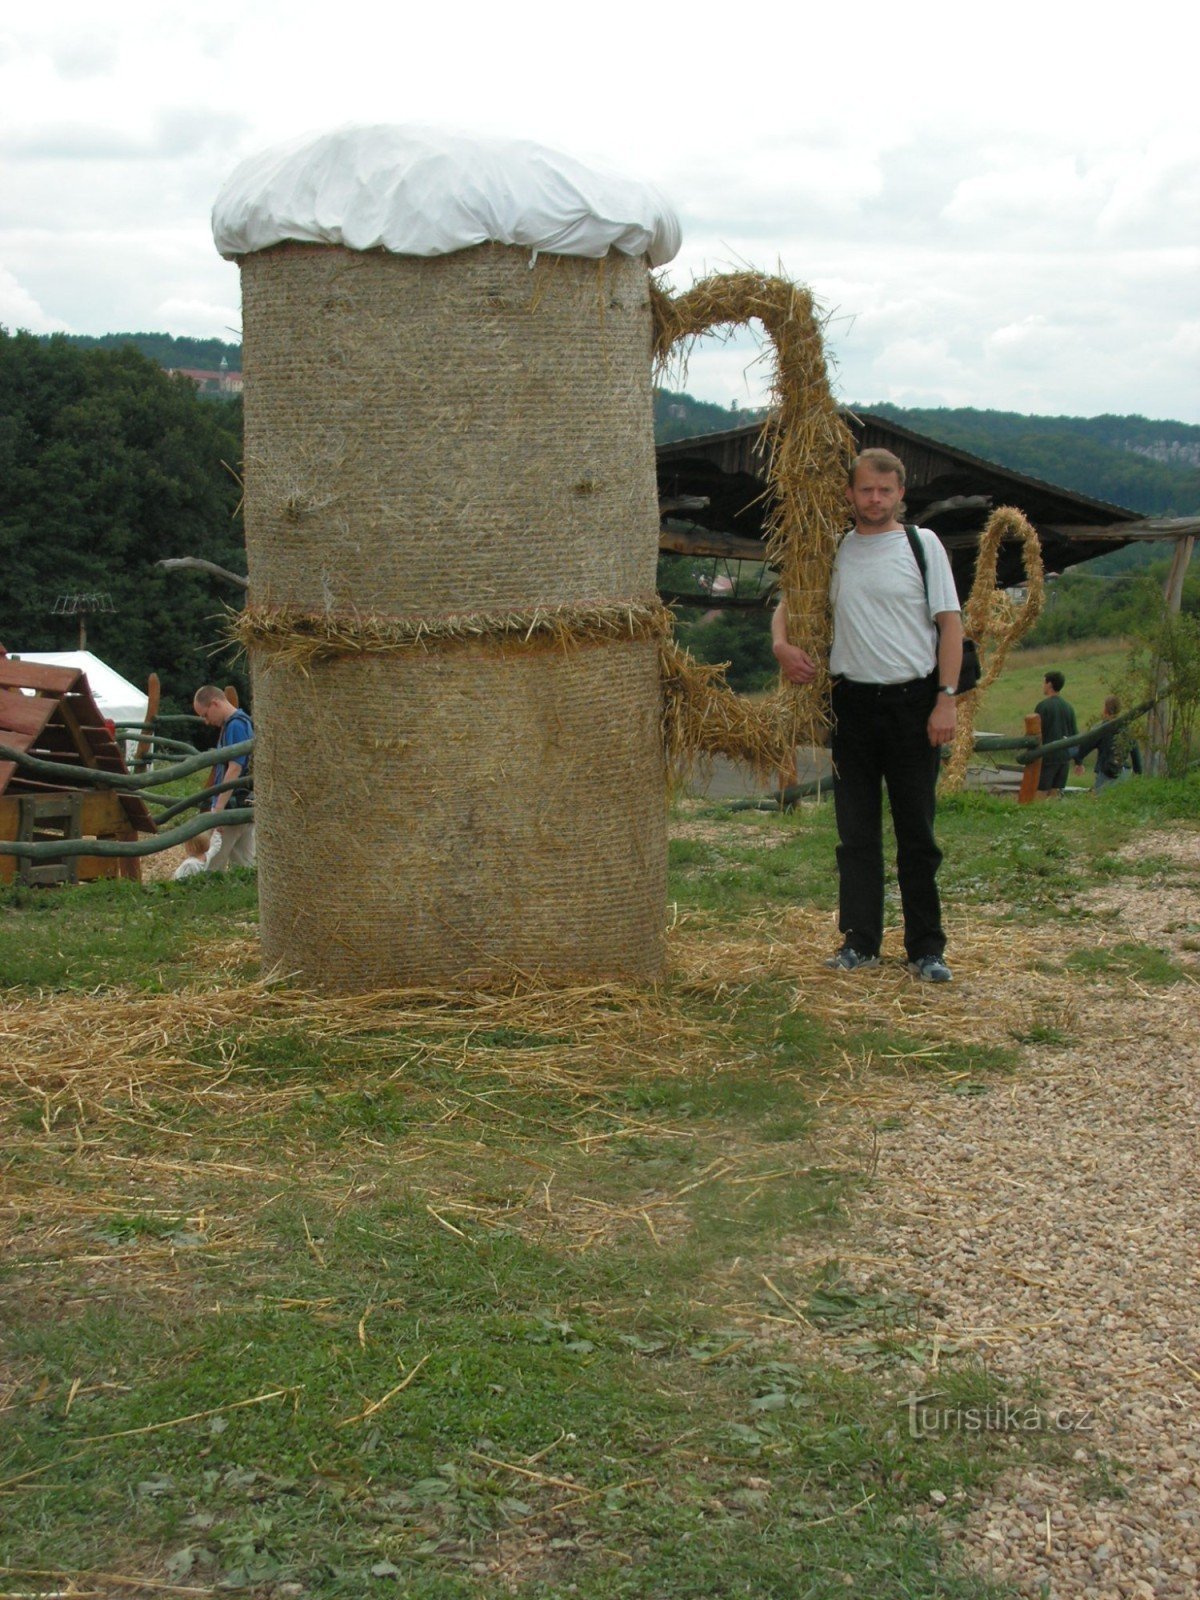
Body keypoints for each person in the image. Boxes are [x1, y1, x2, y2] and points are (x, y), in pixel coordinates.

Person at [772, 448, 963, 982]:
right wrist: (781, 646)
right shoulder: (833, 550)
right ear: (849, 494)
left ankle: (926, 949)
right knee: (855, 834)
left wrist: (946, 699)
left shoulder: (922, 546)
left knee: (916, 833)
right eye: (865, 490)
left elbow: (950, 625)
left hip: (912, 704)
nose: (875, 499)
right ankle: (860, 942)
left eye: (885, 490)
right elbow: (790, 603)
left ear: (900, 493)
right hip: (851, 705)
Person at [192, 685, 255, 870]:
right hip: (242, 803)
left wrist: (218, 809)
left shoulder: (235, 725)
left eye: (205, 715)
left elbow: (234, 769)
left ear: (215, 703)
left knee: (211, 865)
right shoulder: (240, 722)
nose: (206, 721)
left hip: (231, 805)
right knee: (245, 865)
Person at [1076, 695, 1143, 792]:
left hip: (1106, 772)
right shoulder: (1127, 729)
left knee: (1100, 798)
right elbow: (1136, 756)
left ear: (1105, 710)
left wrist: (1078, 761)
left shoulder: (1102, 729)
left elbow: (1084, 748)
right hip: (1124, 772)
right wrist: (1138, 775)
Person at [1034, 672, 1081, 797]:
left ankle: (1037, 810)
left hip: (1047, 757)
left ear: (1049, 684)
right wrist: (1078, 761)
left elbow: (1035, 733)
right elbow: (1075, 736)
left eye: (1044, 682)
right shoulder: (1068, 707)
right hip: (1064, 759)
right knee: (1055, 793)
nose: (1042, 686)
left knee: (1041, 792)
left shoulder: (1043, 707)